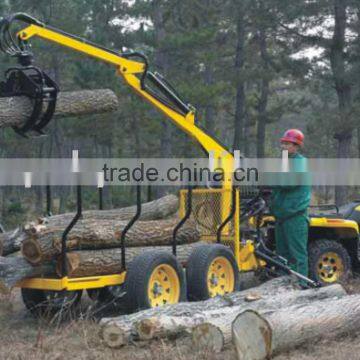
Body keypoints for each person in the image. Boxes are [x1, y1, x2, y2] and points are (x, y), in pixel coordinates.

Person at [270, 129, 311, 285]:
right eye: (283, 143)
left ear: (296, 145)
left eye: (287, 144)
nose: (283, 147)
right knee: (282, 255)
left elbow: (289, 182)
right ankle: (284, 286)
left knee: (297, 255)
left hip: (295, 216)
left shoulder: (300, 162)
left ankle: (301, 285)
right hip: (282, 216)